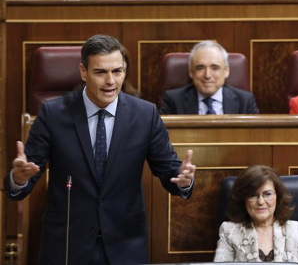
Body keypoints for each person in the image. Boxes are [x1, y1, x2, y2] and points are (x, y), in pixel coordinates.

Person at [4, 34, 196, 265]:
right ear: (83, 72)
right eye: (100, 72)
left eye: (117, 71)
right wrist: (19, 178)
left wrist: (183, 180)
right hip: (67, 244)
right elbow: (24, 179)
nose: (111, 81)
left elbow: (169, 170)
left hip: (125, 244)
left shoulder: (145, 115)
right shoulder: (53, 114)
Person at [214, 165, 298, 263]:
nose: (261, 202)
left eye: (267, 194)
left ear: (278, 197)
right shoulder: (230, 231)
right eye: (253, 195)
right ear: (244, 200)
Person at [160, 40, 259, 115]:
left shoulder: (245, 101)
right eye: (200, 68)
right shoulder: (173, 101)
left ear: (226, 71)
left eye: (215, 68)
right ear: (191, 72)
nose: (207, 75)